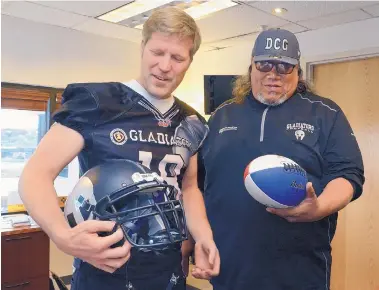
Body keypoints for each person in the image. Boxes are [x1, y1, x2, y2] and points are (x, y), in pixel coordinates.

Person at [18, 7, 219, 290]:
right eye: (157, 52)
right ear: (142, 48)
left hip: (167, 267)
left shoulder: (192, 121)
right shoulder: (98, 102)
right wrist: (63, 236)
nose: (164, 66)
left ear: (189, 61)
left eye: (177, 58)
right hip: (105, 263)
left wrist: (204, 236)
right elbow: (35, 175)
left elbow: (188, 189)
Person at [199, 28, 364, 290]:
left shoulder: (325, 113)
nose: (273, 75)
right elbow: (198, 184)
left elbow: (348, 175)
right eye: (264, 64)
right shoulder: (221, 116)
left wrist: (320, 207)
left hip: (300, 272)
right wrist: (198, 239)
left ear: (297, 71)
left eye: (284, 66)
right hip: (230, 270)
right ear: (251, 67)